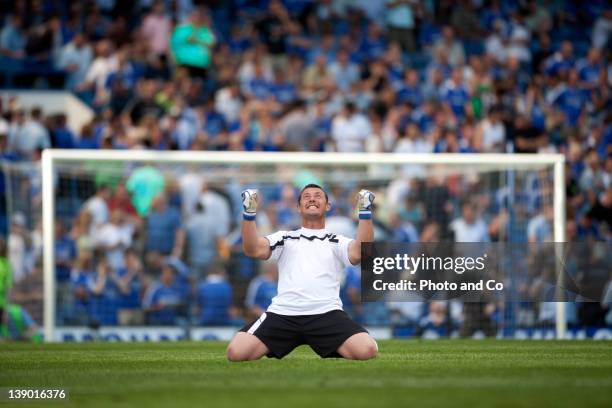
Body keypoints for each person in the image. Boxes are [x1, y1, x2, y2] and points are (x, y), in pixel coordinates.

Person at [226, 184, 378, 361]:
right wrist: (249, 213)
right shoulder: (284, 238)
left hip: (326, 313)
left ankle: (331, 344)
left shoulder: (337, 241)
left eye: (317, 196)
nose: (312, 198)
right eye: (306, 196)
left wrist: (365, 211)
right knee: (236, 353)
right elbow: (252, 249)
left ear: (328, 206)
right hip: (283, 313)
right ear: (298, 207)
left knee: (367, 350)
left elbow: (362, 252)